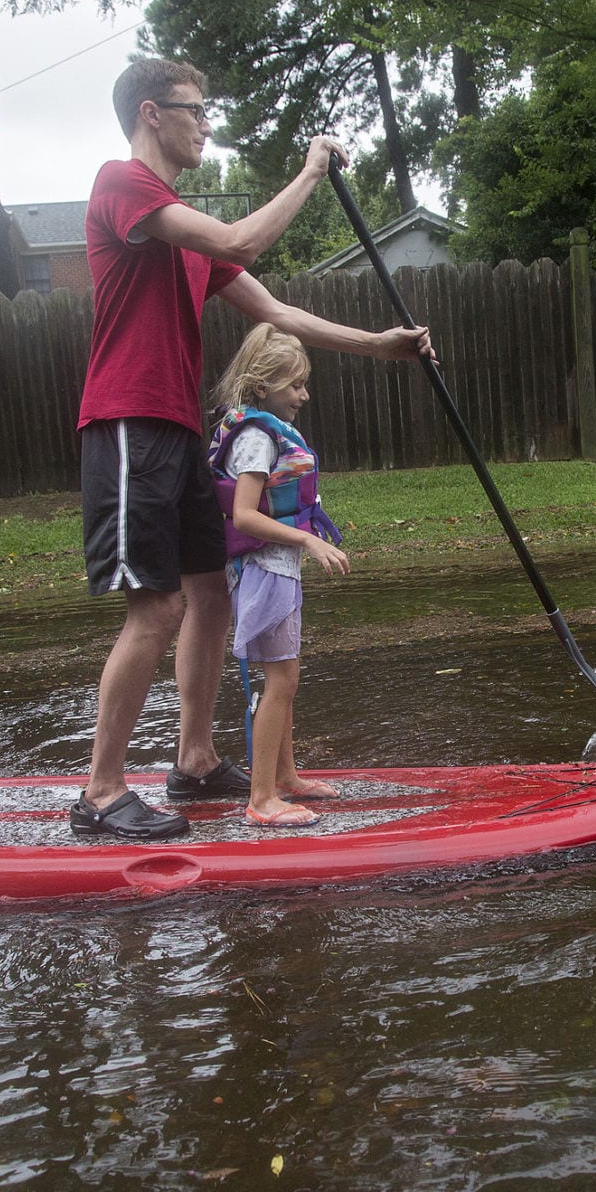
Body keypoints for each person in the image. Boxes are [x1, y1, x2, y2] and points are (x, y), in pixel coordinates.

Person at [72, 56, 431, 840]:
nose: (205, 124)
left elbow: (280, 312)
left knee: (211, 595)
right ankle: (100, 792)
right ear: (149, 114)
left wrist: (381, 344)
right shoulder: (123, 185)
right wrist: (308, 171)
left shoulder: (189, 239)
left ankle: (194, 760)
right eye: (193, 110)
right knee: (157, 605)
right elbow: (243, 233)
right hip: (127, 424)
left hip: (176, 430)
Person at [207, 325, 347, 827]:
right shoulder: (254, 440)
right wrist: (308, 539)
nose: (303, 395)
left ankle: (285, 778)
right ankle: (261, 798)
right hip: (264, 568)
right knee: (281, 678)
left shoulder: (264, 432)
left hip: (276, 568)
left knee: (284, 675)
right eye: (294, 385)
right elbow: (244, 515)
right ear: (263, 385)